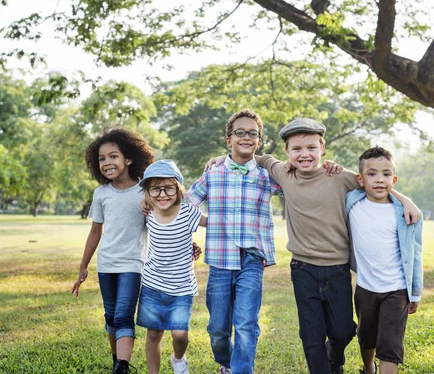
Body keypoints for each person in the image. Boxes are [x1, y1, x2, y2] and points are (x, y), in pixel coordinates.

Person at [254, 118, 420, 374]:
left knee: (344, 330)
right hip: (303, 268)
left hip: (337, 269)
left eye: (311, 147)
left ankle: (336, 354)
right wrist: (222, 159)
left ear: (323, 148)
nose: (304, 154)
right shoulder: (283, 173)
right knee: (311, 335)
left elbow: (376, 184)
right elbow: (262, 158)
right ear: (287, 153)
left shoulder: (339, 177)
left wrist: (405, 199)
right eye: (296, 149)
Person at [187, 109, 283, 374]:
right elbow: (185, 207)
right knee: (217, 327)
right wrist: (152, 201)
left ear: (259, 140)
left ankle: (241, 370)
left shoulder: (267, 176)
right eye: (239, 132)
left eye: (253, 133)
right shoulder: (213, 173)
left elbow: (301, 182)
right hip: (220, 259)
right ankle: (225, 362)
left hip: (252, 258)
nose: (246, 137)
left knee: (245, 322)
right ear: (228, 139)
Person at [71, 128, 154, 374]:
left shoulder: (145, 192)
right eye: (102, 158)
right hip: (106, 264)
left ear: (128, 158)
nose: (107, 162)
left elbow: (161, 225)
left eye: (113, 156)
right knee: (110, 318)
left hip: (132, 264)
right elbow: (95, 232)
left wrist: (185, 244)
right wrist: (83, 266)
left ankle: (123, 367)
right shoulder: (101, 194)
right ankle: (117, 362)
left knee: (123, 316)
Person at [346, 146, 423, 374]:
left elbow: (415, 253)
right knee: (366, 336)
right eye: (372, 174)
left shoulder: (406, 213)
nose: (380, 179)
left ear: (394, 178)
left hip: (397, 290)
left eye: (386, 174)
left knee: (390, 346)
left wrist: (416, 292)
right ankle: (368, 367)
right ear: (360, 179)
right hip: (365, 287)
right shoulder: (353, 202)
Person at [136, 160, 207, 374]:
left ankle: (178, 358)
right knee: (154, 334)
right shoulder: (147, 212)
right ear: (147, 192)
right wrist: (144, 201)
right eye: (155, 189)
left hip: (182, 287)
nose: (162, 194)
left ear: (178, 189)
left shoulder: (187, 213)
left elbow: (212, 223)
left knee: (179, 334)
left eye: (168, 188)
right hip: (152, 284)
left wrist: (195, 247)